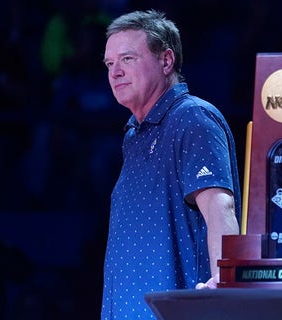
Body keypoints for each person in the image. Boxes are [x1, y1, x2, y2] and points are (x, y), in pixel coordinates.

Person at [101, 9, 241, 319]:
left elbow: (220, 208)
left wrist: (225, 281)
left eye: (127, 59)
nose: (115, 72)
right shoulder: (135, 134)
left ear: (166, 61)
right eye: (110, 64)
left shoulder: (191, 118)